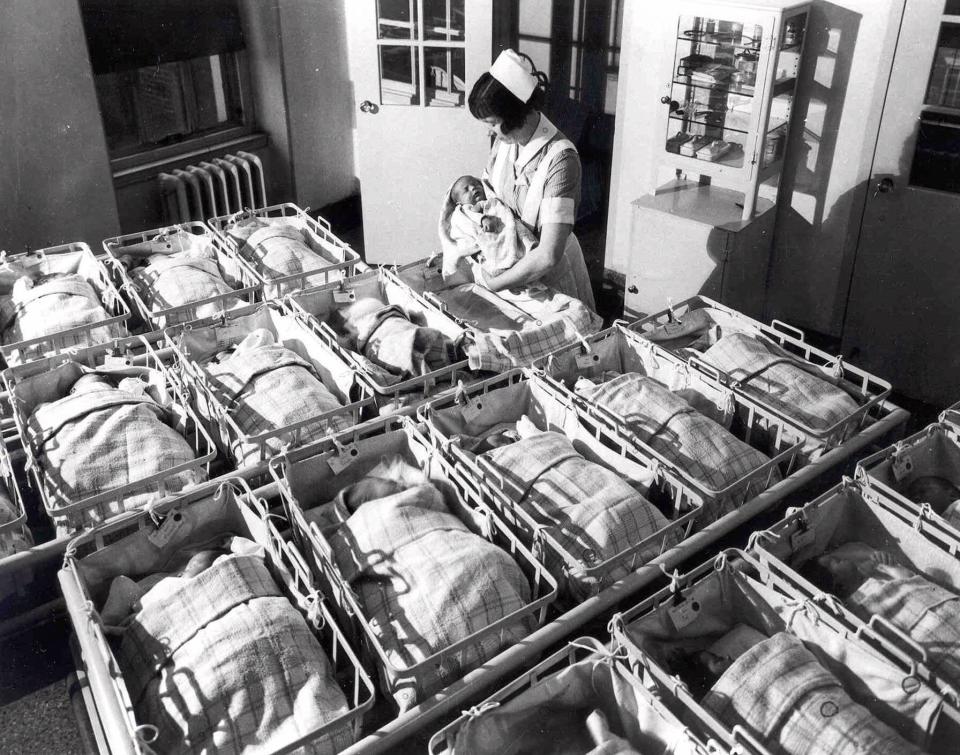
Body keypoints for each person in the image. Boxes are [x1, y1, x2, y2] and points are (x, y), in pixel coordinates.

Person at [441, 49, 596, 311]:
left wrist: (494, 283)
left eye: (492, 123)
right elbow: (487, 198)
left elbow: (548, 255)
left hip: (549, 278)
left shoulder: (561, 160)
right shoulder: (505, 141)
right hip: (506, 269)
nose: (489, 132)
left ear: (515, 113)